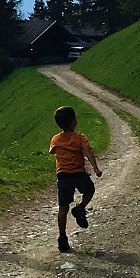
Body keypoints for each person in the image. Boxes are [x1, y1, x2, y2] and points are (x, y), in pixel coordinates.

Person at [49, 105, 103, 253]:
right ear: (74, 121)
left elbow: (52, 151)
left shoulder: (55, 139)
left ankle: (62, 238)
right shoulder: (80, 138)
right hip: (78, 174)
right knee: (89, 190)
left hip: (63, 176)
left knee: (63, 208)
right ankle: (80, 208)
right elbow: (88, 151)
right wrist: (95, 168)